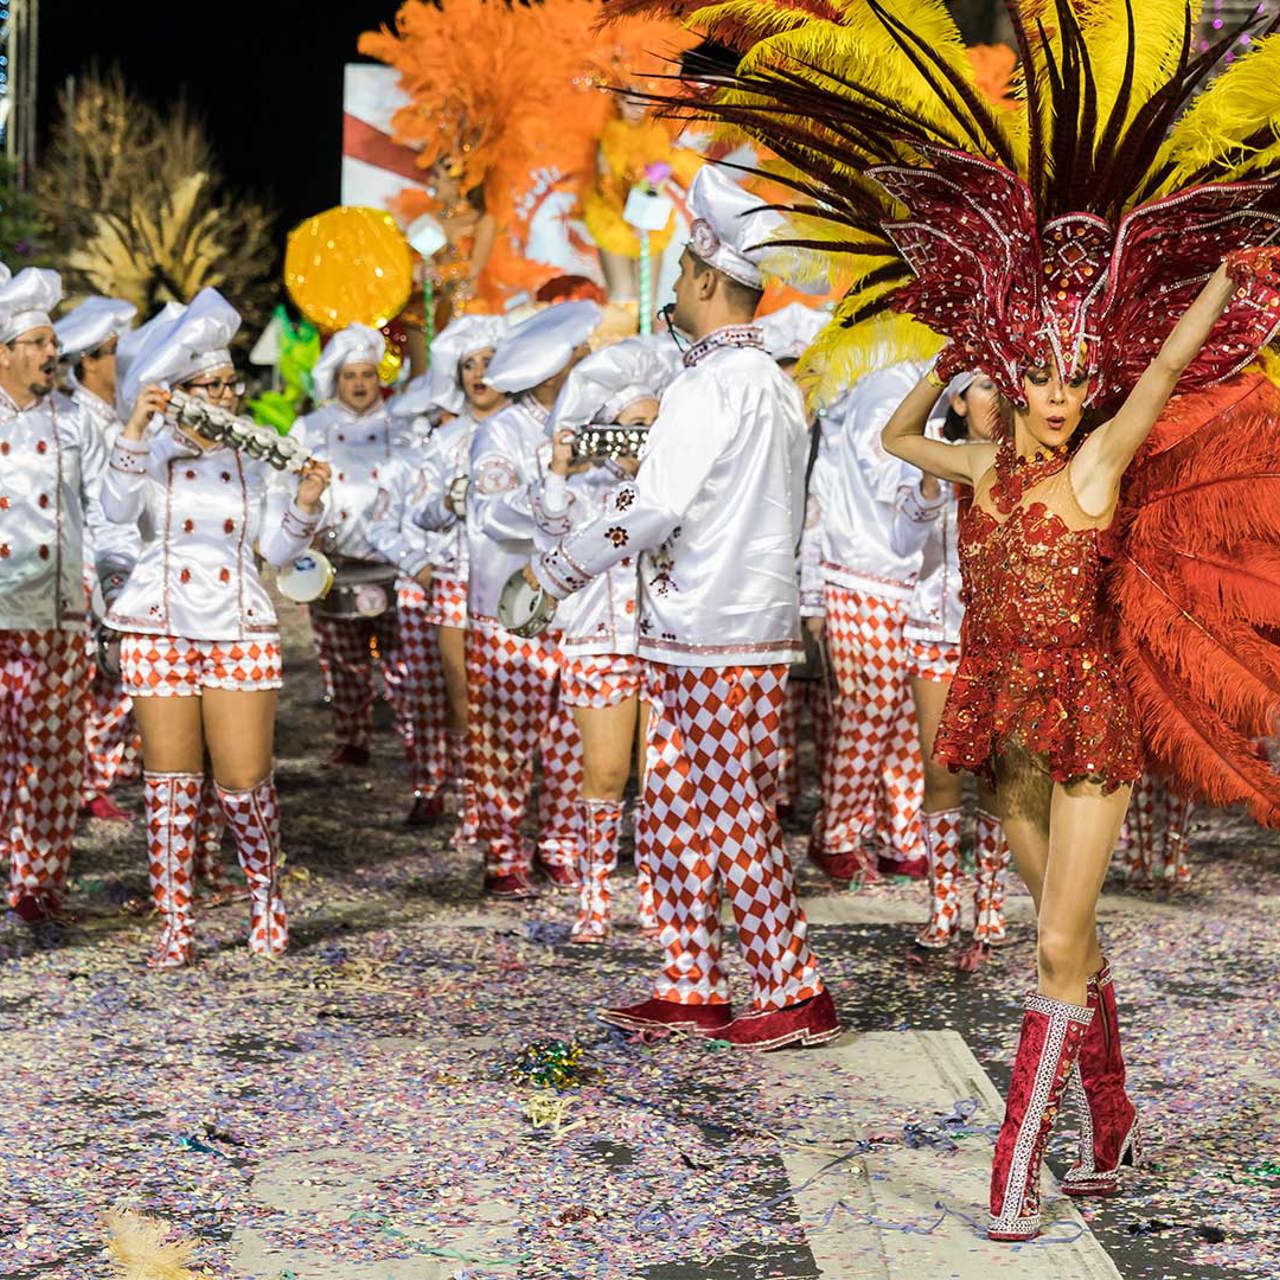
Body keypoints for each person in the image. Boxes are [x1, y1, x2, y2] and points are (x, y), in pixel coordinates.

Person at [661, 0, 1280, 1232]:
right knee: (1062, 939)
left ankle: (1018, 1157)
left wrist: (1218, 283)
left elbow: (1157, 375)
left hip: (1085, 715)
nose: (1056, 398)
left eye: (1069, 381)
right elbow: (898, 435)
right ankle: (1108, 1108)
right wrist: (963, 369)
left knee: (1054, 945)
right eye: (1039, 378)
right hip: (999, 711)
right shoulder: (986, 472)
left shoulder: (1095, 467)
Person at [526, 167, 839, 1050]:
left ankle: (793, 985)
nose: (671, 288)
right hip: (714, 625)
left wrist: (560, 567)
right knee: (675, 805)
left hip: (713, 630)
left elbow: (655, 508)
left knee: (730, 806)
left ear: (706, 278)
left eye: (680, 273)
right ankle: (690, 978)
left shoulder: (714, 383)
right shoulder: (766, 379)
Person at [102, 288, 331, 966]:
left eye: (232, 383)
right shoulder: (143, 453)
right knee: (170, 784)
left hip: (237, 622)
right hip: (159, 620)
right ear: (179, 390)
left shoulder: (255, 458)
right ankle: (176, 921)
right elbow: (116, 508)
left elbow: (280, 551)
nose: (228, 395)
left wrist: (309, 505)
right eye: (213, 384)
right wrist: (138, 431)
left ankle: (265, 897)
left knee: (244, 780)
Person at [532, 338, 679, 941]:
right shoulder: (583, 492)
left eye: (654, 424)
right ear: (606, 432)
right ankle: (594, 895)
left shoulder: (675, 490)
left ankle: (653, 894)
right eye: (633, 425)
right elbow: (546, 536)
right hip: (597, 642)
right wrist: (559, 472)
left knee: (662, 777)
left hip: (666, 642)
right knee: (606, 771)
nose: (643, 436)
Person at [464, 301, 600, 897]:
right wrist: (552, 484)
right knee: (506, 738)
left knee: (571, 736)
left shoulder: (596, 422)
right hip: (512, 610)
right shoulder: (500, 432)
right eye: (579, 356)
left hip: (577, 608)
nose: (590, 363)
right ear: (551, 372)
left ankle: (561, 844)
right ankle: (502, 851)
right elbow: (492, 513)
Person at [887, 373, 1013, 955]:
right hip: (936, 636)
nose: (999, 400)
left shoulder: (1024, 461)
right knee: (941, 773)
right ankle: (943, 906)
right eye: (986, 387)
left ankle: (990, 904)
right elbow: (902, 545)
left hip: (998, 641)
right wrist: (933, 482)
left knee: (997, 775)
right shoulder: (930, 455)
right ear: (958, 400)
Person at [0, 267, 107, 922]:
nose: (50, 354)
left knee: (53, 753)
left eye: (51, 342)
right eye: (37, 342)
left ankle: (37, 879)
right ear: (4, 351)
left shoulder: (75, 422)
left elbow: (109, 514)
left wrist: (102, 581)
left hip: (55, 611)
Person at [802, 361, 931, 884]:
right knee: (867, 715)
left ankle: (901, 836)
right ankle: (837, 834)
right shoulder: (885, 388)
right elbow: (892, 479)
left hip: (914, 580)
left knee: (907, 718)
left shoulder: (918, 382)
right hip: (864, 576)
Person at [406, 315, 509, 840]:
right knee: (465, 698)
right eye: (469, 364)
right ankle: (478, 809)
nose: (480, 373)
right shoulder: (443, 440)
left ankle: (518, 806)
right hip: (455, 580)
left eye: (489, 361)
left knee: (514, 698)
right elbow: (417, 512)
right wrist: (448, 503)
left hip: (517, 583)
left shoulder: (529, 429)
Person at [290, 325, 400, 768]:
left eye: (366, 375)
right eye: (349, 376)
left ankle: (411, 737)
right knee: (343, 660)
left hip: (395, 563)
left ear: (379, 379)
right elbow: (289, 489)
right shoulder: (312, 428)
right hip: (333, 563)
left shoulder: (402, 425)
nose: (358, 384)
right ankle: (351, 738)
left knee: (400, 661)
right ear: (336, 381)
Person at [55, 295, 142, 825]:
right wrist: (102, 579)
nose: (122, 362)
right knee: (83, 683)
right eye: (114, 351)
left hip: (122, 567)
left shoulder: (121, 416)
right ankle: (84, 782)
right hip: (84, 571)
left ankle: (103, 774)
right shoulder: (74, 420)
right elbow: (85, 507)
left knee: (116, 682)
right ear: (88, 360)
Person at [757, 302, 830, 822]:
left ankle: (826, 803)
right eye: (786, 377)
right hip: (768, 580)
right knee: (773, 700)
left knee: (828, 702)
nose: (796, 389)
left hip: (821, 578)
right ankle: (775, 797)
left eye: (804, 377)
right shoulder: (760, 438)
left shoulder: (837, 437)